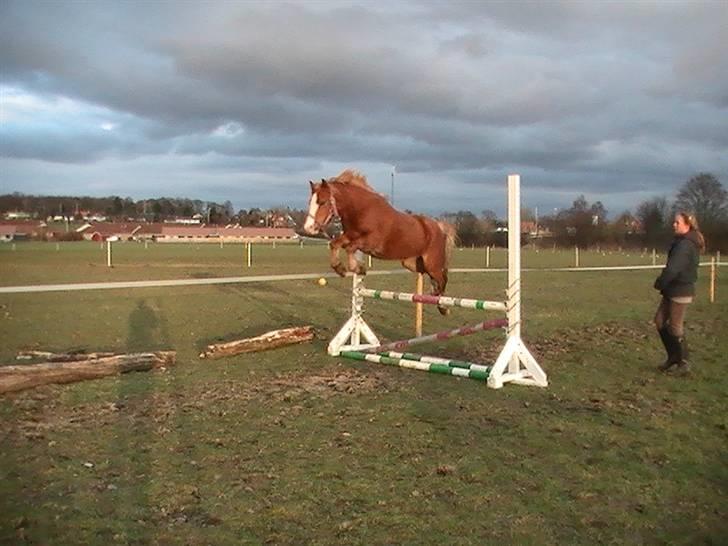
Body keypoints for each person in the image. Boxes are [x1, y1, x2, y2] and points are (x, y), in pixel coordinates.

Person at [653, 211, 705, 373]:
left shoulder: (685, 245)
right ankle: (673, 357)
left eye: (677, 222)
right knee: (660, 321)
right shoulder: (681, 242)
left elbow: (673, 269)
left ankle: (684, 361)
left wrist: (660, 282)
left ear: (687, 225)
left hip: (680, 290)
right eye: (674, 222)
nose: (673, 225)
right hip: (672, 289)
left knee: (675, 327)